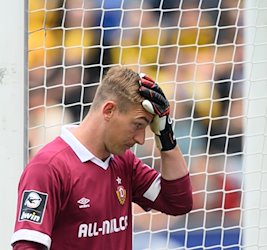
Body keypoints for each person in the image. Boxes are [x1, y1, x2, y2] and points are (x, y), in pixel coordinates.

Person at [11, 67, 193, 250]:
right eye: (137, 125)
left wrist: (166, 136)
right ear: (109, 110)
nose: (140, 139)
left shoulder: (124, 162)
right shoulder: (48, 167)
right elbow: (27, 246)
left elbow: (178, 203)